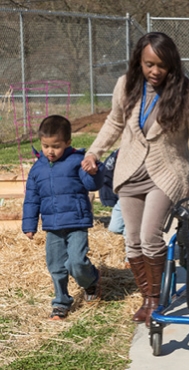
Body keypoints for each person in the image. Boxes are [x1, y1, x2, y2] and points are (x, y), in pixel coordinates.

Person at [81, 32, 189, 327]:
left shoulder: (187, 93)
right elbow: (114, 122)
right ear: (138, 61)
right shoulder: (126, 86)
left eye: (162, 65)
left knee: (149, 237)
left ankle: (155, 301)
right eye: (149, 64)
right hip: (130, 172)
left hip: (167, 174)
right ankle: (147, 297)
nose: (155, 71)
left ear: (172, 65)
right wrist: (94, 152)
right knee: (131, 241)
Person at [22, 115, 104, 320]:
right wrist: (29, 224)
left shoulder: (77, 161)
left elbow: (92, 185)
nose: (50, 151)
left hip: (77, 222)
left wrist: (94, 172)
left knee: (76, 262)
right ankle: (61, 302)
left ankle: (91, 280)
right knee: (56, 266)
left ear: (68, 143)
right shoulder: (37, 169)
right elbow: (32, 199)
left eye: (56, 146)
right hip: (53, 226)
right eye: (46, 146)